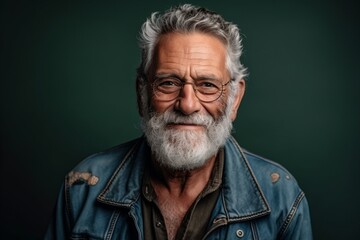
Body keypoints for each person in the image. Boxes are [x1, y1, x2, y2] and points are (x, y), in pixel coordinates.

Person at [45, 4, 312, 240]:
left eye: (207, 85)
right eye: (168, 83)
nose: (187, 104)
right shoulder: (84, 189)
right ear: (142, 93)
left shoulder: (281, 199)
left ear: (235, 99)